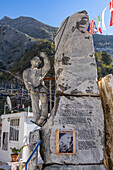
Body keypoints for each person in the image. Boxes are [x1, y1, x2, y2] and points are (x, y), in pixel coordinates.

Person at [23, 52, 50, 126]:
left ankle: (44, 116)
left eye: (38, 62)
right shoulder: (26, 71)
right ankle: (37, 119)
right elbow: (26, 80)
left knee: (44, 99)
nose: (36, 63)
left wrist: (45, 57)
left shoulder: (40, 71)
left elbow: (47, 67)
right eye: (35, 61)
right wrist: (30, 88)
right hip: (33, 89)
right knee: (35, 104)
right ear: (31, 61)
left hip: (40, 87)